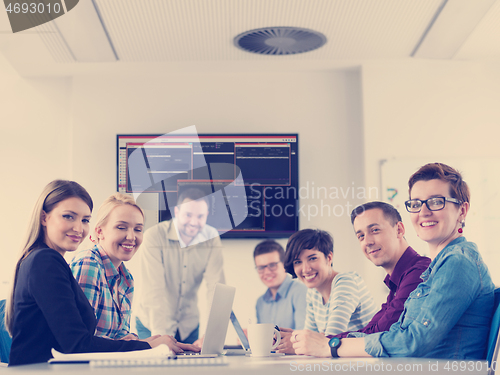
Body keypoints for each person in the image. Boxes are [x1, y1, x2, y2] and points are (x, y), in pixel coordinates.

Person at [291, 163, 495, 359]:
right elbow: (394, 332)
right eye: (416, 204)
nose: (423, 212)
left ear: (462, 210)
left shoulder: (458, 263)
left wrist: (331, 346)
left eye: (436, 201)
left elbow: (411, 341)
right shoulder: (436, 269)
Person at [5, 180, 179, 366]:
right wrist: (148, 347)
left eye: (85, 220)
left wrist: (145, 343)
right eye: (69, 216)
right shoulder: (45, 261)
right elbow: (78, 346)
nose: (79, 228)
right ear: (44, 217)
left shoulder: (46, 261)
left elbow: (76, 342)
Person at [135, 188, 224, 344]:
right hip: (151, 324)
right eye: (188, 215)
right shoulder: (154, 236)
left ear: (207, 216)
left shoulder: (211, 239)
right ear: (176, 212)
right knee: (156, 366)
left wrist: (211, 337)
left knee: (189, 368)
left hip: (188, 326)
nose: (194, 222)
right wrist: (161, 340)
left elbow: (216, 289)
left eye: (200, 216)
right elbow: (154, 291)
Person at [333, 201, 431, 338]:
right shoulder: (396, 282)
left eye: (374, 230)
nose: (367, 242)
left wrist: (324, 343)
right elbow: (369, 330)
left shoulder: (419, 272)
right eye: (361, 236)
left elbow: (378, 333)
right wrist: (320, 340)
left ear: (399, 230)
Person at [283, 229, 376, 340]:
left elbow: (330, 339)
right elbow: (311, 339)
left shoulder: (346, 282)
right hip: (345, 356)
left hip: (370, 355)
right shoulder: (313, 293)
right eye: (298, 262)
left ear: (329, 258)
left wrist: (296, 339)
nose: (306, 269)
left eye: (312, 258)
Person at [254, 240, 307, 329]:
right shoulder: (260, 302)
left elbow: (303, 334)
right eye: (261, 268)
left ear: (284, 265)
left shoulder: (301, 292)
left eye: (272, 265)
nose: (267, 272)